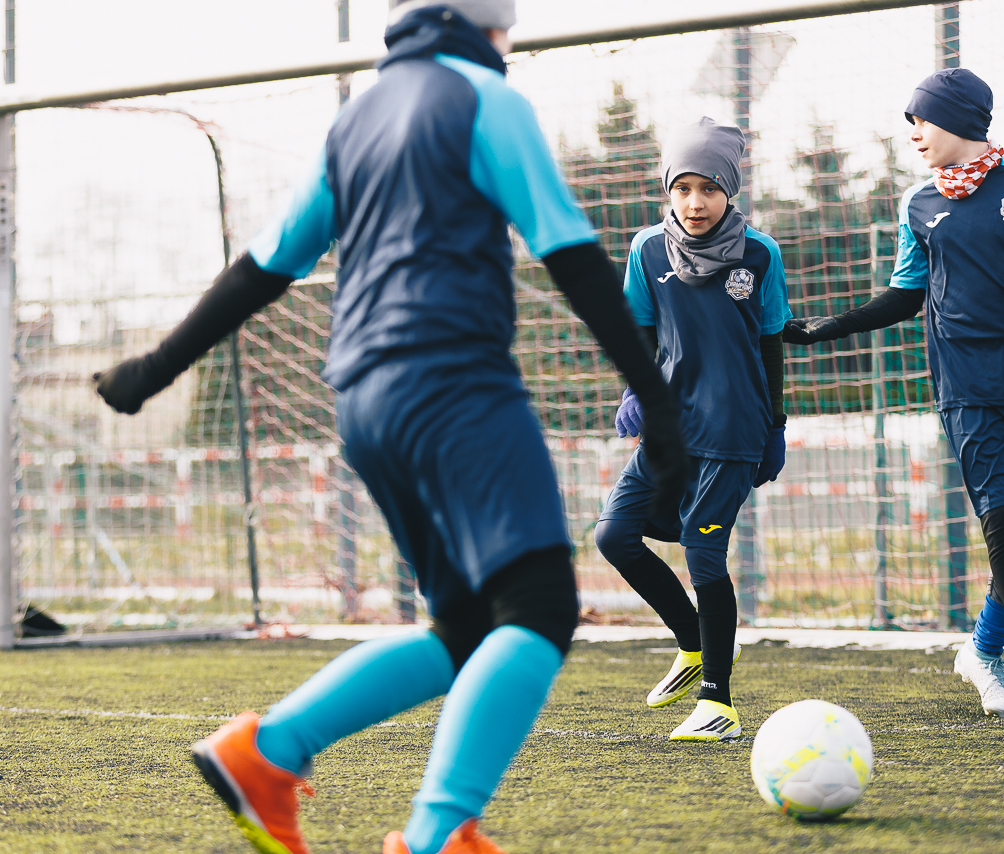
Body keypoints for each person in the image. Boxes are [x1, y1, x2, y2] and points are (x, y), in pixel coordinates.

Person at [92, 3, 687, 853]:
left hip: (364, 403)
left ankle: (269, 754)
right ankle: (436, 830)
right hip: (454, 383)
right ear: (494, 25)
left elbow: (264, 266)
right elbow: (570, 253)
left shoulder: (355, 120)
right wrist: (657, 405)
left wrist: (151, 370)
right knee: (539, 608)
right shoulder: (487, 99)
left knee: (466, 627)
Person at [784, 69, 1004, 718]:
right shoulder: (918, 204)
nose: (914, 135)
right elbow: (905, 295)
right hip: (964, 387)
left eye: (921, 120)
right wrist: (830, 327)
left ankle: (980, 650)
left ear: (958, 120)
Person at [593, 117, 792, 742]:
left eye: (709, 188)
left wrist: (776, 425)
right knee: (614, 535)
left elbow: (771, 342)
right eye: (682, 188)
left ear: (730, 190)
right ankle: (693, 641)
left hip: (734, 427)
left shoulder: (760, 254)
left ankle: (718, 703)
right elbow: (639, 328)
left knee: (704, 552)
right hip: (669, 425)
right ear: (667, 190)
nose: (695, 202)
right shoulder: (648, 248)